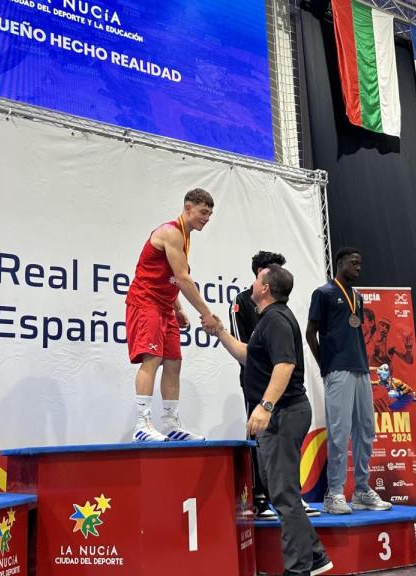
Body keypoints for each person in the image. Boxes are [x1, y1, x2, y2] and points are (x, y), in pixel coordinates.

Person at [213, 264, 332, 576]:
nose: (252, 283)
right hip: (280, 414)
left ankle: (298, 569)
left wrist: (265, 406)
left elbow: (284, 365)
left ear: (265, 288)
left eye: (257, 278)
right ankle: (316, 555)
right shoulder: (268, 320)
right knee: (281, 491)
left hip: (284, 414)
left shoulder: (277, 319)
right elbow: (249, 356)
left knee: (283, 494)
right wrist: (220, 332)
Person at [125, 188, 222, 442]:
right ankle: (141, 425)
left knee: (173, 362)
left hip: (164, 306)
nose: (206, 218)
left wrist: (178, 309)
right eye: (203, 212)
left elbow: (169, 279)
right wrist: (206, 314)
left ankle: (169, 423)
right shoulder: (171, 232)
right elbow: (183, 278)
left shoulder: (184, 237)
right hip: (145, 302)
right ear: (188, 208)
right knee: (153, 358)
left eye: (210, 214)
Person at [229, 250, 320, 520]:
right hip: (257, 384)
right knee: (259, 438)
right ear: (260, 276)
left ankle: (290, 497)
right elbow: (246, 349)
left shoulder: (281, 313)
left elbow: (285, 362)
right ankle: (259, 497)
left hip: (285, 394)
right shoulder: (242, 303)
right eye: (273, 272)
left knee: (285, 446)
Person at [305, 247, 391, 514]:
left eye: (360, 263)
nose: (358, 267)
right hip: (338, 370)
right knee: (339, 432)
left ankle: (362, 490)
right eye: (354, 263)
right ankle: (335, 493)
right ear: (340, 263)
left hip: (362, 369)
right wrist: (325, 367)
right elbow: (310, 334)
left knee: (366, 430)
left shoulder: (357, 297)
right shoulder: (323, 293)